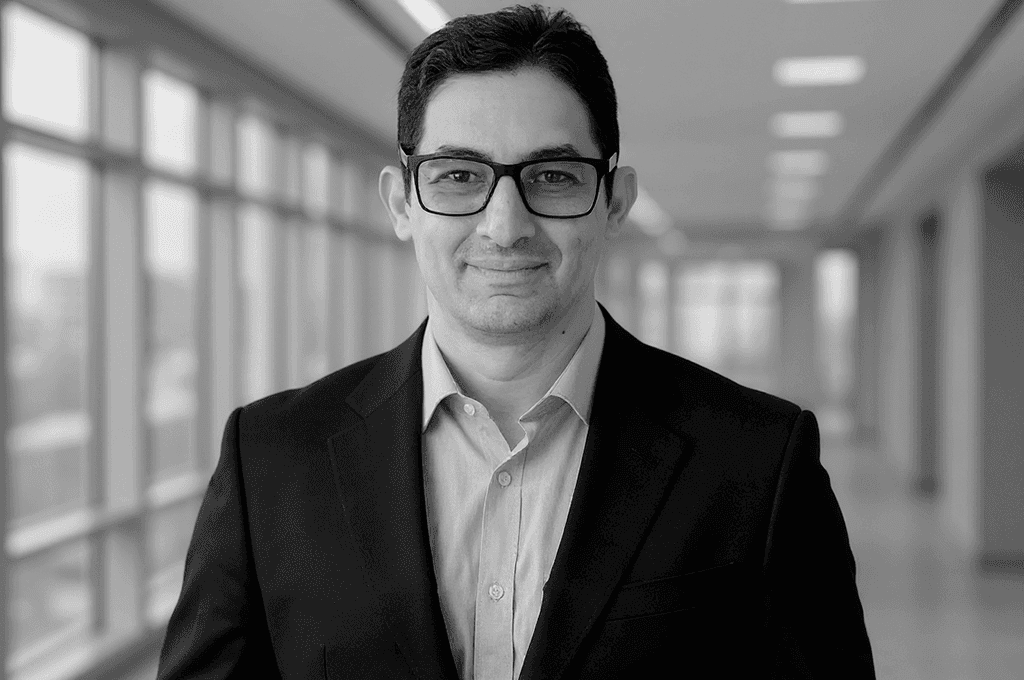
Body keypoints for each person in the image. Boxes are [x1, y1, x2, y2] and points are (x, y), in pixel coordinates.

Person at [157, 5, 875, 679]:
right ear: (402, 203)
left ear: (614, 200)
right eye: (460, 176)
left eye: (553, 176)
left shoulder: (758, 463)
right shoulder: (273, 458)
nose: (505, 224)